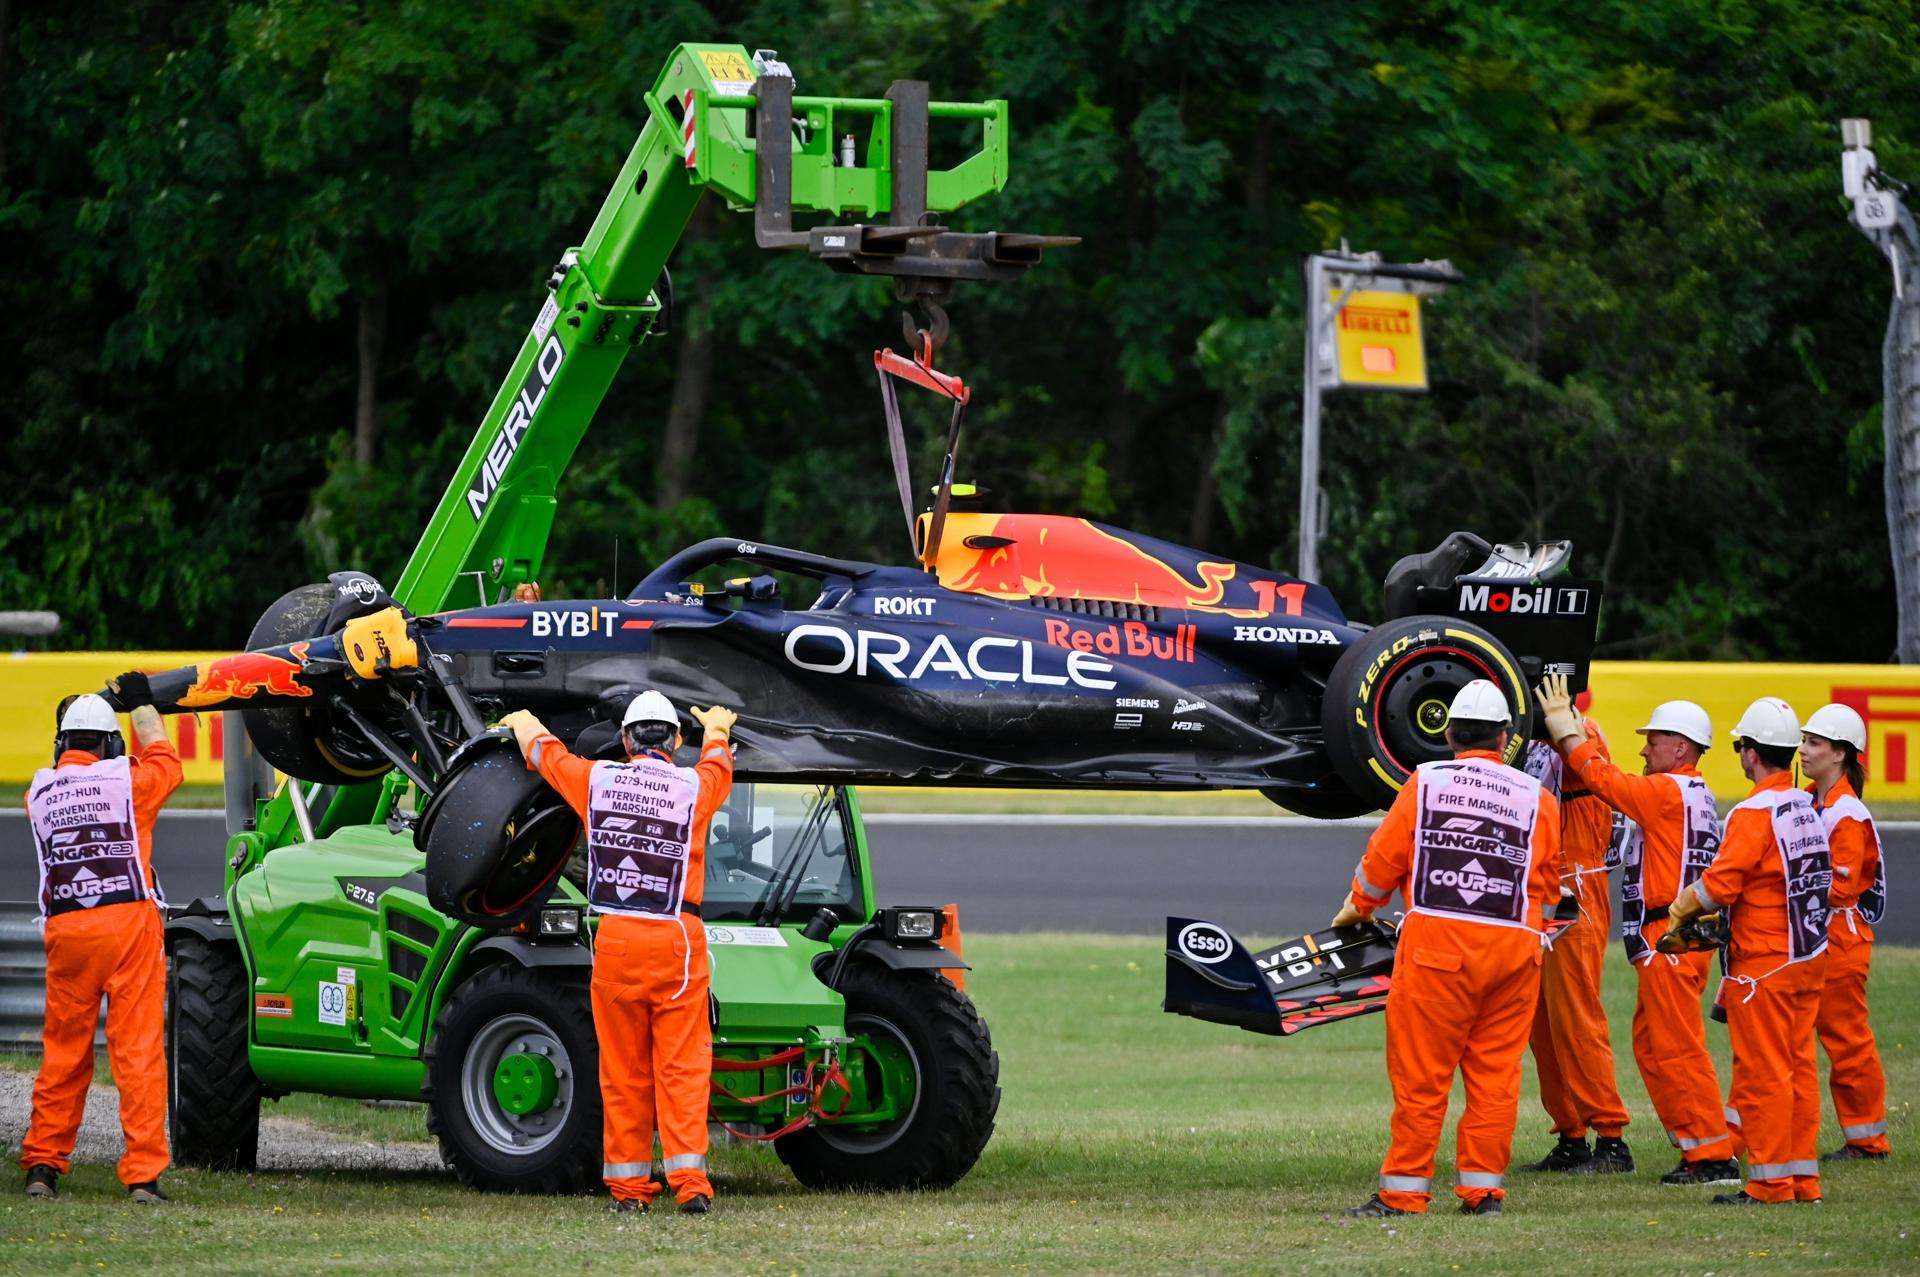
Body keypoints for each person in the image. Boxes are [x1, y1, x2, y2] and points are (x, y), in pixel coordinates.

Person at [1333, 679, 1561, 1218]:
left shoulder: (1427, 781)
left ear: (1450, 732)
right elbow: (1547, 887)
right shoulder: (1540, 799)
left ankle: (1404, 1191)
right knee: (1496, 1077)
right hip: (1516, 952)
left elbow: (1384, 856)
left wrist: (1357, 907)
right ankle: (1483, 1192)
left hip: (1439, 948)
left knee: (1422, 1076)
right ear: (1505, 737)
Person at [501, 692, 734, 1215]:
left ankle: (629, 1191)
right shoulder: (695, 785)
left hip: (617, 942)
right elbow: (719, 766)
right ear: (675, 741)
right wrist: (717, 729)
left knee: (624, 1070)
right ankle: (691, 1185)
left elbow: (548, 756)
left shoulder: (597, 780)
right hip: (678, 940)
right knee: (682, 1068)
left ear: (625, 740)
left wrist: (525, 720)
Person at [1537, 674, 1737, 1187]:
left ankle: (1712, 1154)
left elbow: (1605, 780)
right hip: (1680, 934)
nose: (1644, 750)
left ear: (1681, 747)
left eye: (1653, 740)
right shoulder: (1692, 793)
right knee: (1654, 1044)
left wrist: (1568, 730)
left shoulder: (1667, 792)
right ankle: (1698, 1146)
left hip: (1670, 935)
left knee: (1676, 1045)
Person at [20, 680, 182, 1202]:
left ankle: (42, 1166)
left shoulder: (37, 793)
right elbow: (166, 760)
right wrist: (141, 704)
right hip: (127, 929)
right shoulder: (131, 783)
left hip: (68, 933)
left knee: (64, 1052)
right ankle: (142, 1176)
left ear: (60, 745)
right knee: (136, 1053)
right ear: (110, 744)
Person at [1669, 697, 1830, 1205]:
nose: (1739, 754)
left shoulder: (1754, 811)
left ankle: (1769, 1183)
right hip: (1807, 957)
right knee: (1799, 1071)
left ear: (1752, 753)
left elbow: (1721, 885)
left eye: (1741, 746)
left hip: (1764, 965)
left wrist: (1680, 908)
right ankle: (1802, 1179)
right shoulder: (1806, 806)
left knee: (1763, 1077)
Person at [1521, 707, 1634, 1175]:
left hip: (1577, 887)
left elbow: (1582, 763)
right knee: (1538, 1022)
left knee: (1577, 1017)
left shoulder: (1579, 733)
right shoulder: (1526, 741)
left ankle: (1611, 1138)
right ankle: (1571, 1134)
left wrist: (1557, 720)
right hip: (1540, 887)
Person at [1799, 703, 1889, 1161]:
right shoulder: (1818, 803)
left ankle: (1868, 1140)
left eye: (1814, 743)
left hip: (1840, 940)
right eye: (1804, 741)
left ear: (1840, 754)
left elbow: (1840, 885)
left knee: (1847, 1041)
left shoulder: (1846, 813)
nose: (1803, 751)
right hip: (1820, 936)